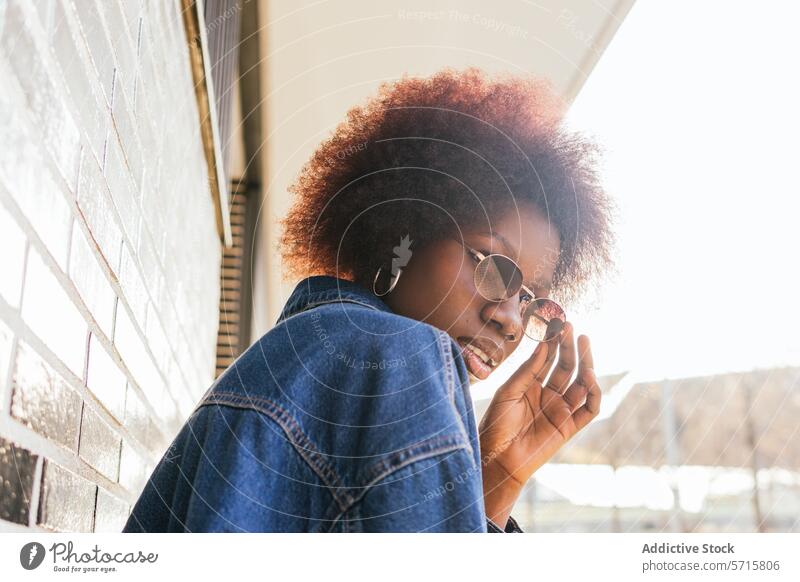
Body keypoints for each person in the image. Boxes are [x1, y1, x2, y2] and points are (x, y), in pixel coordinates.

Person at [123, 68, 614, 533]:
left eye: (531, 302)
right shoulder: (397, 355)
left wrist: (496, 479)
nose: (509, 319)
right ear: (407, 232)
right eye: (493, 266)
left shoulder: (313, 353)